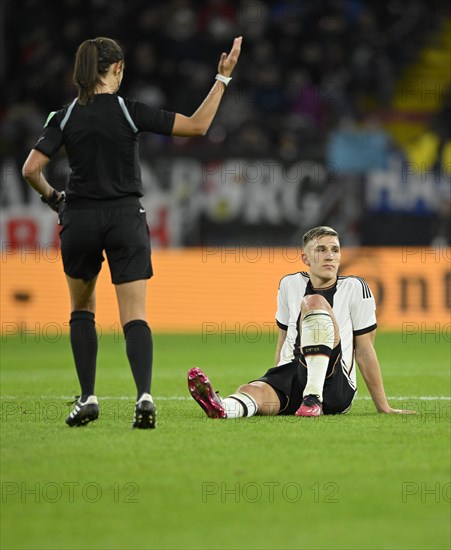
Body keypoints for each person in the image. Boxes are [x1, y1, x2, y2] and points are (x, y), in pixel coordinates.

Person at [22, 35, 242, 429]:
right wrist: (221, 80)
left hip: (80, 220)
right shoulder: (128, 110)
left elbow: (30, 169)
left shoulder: (65, 116)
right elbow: (197, 126)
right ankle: (144, 396)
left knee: (82, 310)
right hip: (125, 217)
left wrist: (56, 199)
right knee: (134, 315)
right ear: (117, 69)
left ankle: (88, 397)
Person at [188, 226, 416, 418]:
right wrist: (276, 380)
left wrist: (383, 407)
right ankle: (224, 408)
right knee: (252, 390)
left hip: (335, 387)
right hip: (295, 374)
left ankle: (313, 397)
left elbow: (365, 351)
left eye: (335, 250)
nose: (330, 256)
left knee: (313, 302)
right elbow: (284, 340)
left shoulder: (355, 287)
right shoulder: (289, 284)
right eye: (321, 249)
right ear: (305, 258)